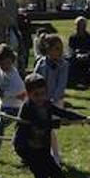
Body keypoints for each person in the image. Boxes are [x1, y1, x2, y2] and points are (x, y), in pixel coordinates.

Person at [13, 73, 84, 178]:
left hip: (42, 145)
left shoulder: (46, 104)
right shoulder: (27, 108)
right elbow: (39, 123)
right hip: (26, 147)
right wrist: (58, 123)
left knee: (54, 169)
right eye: (36, 94)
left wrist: (81, 118)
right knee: (40, 172)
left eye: (43, 93)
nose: (40, 97)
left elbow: (62, 112)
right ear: (28, 94)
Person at [34, 33, 69, 165]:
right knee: (45, 129)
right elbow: (35, 79)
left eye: (61, 49)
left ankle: (54, 156)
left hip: (55, 101)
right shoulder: (41, 63)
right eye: (56, 49)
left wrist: (53, 99)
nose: (60, 52)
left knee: (49, 128)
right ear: (48, 50)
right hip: (40, 100)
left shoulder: (64, 65)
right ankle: (51, 155)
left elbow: (61, 84)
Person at [66, 16, 90, 87]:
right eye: (78, 25)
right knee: (70, 59)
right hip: (76, 56)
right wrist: (77, 54)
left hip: (88, 55)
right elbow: (71, 49)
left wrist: (87, 54)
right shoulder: (72, 37)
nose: (79, 27)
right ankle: (73, 81)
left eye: (82, 25)